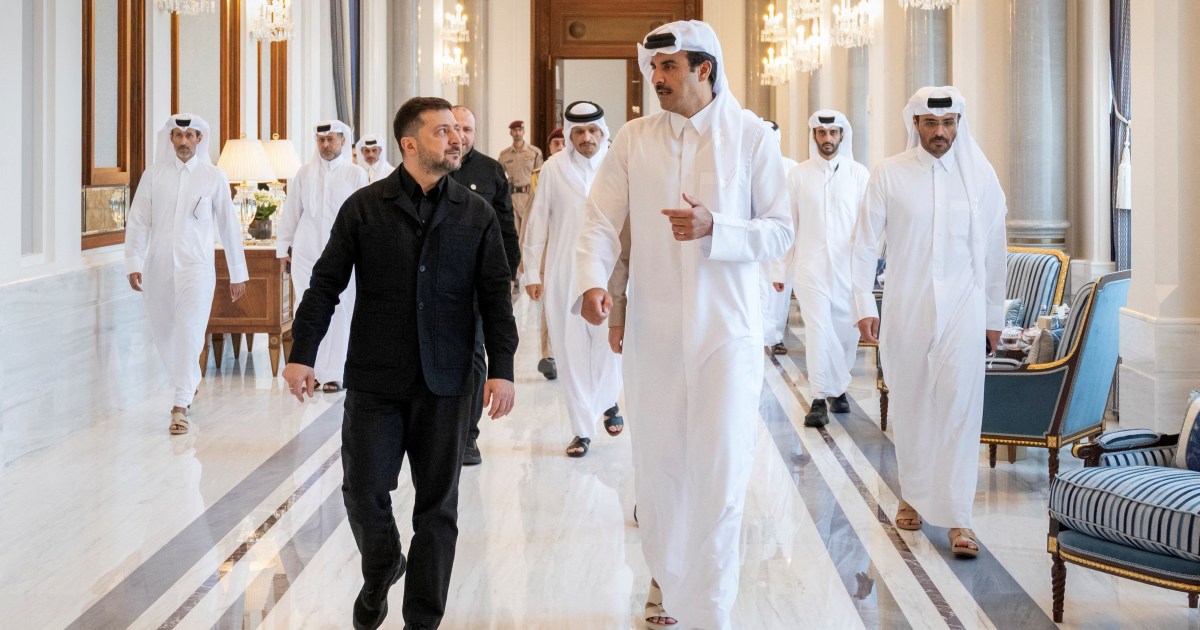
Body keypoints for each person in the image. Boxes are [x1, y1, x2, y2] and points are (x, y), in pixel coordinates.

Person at [574, 20, 793, 629]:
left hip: (727, 334)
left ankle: (711, 609)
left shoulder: (751, 137)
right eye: (653, 67)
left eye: (668, 67)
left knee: (720, 470)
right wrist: (593, 281)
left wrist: (717, 228)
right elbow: (600, 220)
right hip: (655, 333)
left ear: (705, 69)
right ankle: (667, 582)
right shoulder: (634, 139)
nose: (656, 78)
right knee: (660, 467)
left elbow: (780, 230)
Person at [282, 97, 518, 630]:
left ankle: (421, 622)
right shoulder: (364, 208)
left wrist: (502, 368)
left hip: (448, 380)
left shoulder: (476, 213)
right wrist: (303, 354)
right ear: (409, 144)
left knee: (437, 508)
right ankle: (384, 562)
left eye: (458, 131)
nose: (457, 139)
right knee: (363, 489)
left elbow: (495, 298)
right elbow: (325, 284)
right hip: (376, 377)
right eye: (443, 132)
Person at [851, 86, 1007, 559]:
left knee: (961, 409)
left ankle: (960, 518)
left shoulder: (980, 177)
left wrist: (993, 316)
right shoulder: (889, 174)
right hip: (908, 307)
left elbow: (994, 251)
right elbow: (863, 244)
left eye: (949, 123)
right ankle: (913, 496)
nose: (941, 132)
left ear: (959, 123)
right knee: (913, 405)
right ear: (915, 123)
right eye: (931, 123)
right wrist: (864, 303)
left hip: (964, 310)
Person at [125, 114, 248, 435]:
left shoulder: (213, 176)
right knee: (164, 331)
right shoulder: (153, 175)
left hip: (197, 268)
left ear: (199, 139)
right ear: (170, 139)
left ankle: (180, 405)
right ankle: (189, 378)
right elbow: (138, 221)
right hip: (158, 267)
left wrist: (237, 272)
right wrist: (133, 262)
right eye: (178, 135)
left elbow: (229, 226)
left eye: (189, 135)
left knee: (190, 330)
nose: (183, 141)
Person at [523, 101, 624, 457]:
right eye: (579, 131)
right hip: (564, 271)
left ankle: (608, 400)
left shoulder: (617, 163)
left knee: (609, 345)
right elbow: (537, 220)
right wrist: (531, 271)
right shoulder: (553, 168)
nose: (586, 138)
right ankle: (581, 430)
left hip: (610, 271)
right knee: (570, 350)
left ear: (603, 131)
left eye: (593, 130)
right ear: (569, 135)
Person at [769, 110, 870, 427]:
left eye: (833, 133)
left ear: (842, 135)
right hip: (809, 268)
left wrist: (868, 273)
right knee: (818, 330)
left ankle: (838, 389)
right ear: (814, 136)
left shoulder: (859, 175)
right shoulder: (798, 175)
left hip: (847, 270)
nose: (827, 139)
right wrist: (780, 269)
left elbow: (868, 230)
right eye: (821, 133)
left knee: (844, 334)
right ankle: (817, 398)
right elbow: (789, 225)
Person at [450, 105, 522, 466]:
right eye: (455, 128)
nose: (461, 136)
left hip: (479, 279)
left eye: (468, 129)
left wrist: (509, 273)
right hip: (437, 280)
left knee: (475, 353)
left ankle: (468, 435)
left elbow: (506, 225)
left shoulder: (490, 170)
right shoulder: (432, 166)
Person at [275, 120, 367, 393]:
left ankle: (335, 373)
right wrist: (283, 249)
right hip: (307, 254)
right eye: (321, 140)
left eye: (331, 139)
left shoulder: (355, 174)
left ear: (343, 141)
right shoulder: (304, 173)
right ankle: (311, 369)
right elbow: (292, 212)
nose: (326, 145)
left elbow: (363, 216)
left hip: (344, 255)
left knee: (340, 311)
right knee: (307, 309)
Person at [526, 127, 568, 382]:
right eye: (555, 144)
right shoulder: (541, 174)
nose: (560, 147)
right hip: (548, 250)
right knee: (549, 303)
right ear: (549, 148)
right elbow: (532, 216)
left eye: (563, 142)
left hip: (573, 248)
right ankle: (549, 356)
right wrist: (526, 258)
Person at [759, 119, 801, 356]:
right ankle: (757, 334)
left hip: (782, 238)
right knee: (757, 289)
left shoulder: (791, 168)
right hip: (757, 236)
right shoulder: (751, 163)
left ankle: (775, 336)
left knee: (779, 293)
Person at [497, 119, 544, 247]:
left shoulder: (534, 152)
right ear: (510, 133)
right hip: (512, 198)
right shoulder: (504, 155)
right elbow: (499, 177)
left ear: (524, 131)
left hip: (529, 196)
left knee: (530, 232)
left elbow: (540, 176)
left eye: (520, 130)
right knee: (513, 234)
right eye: (514, 130)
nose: (517, 133)